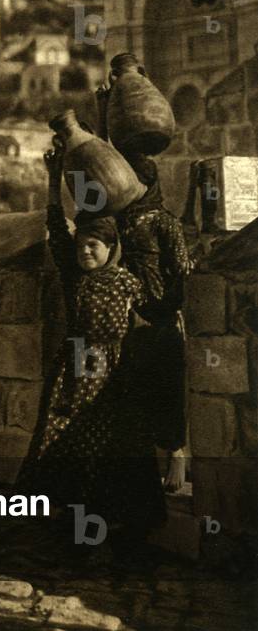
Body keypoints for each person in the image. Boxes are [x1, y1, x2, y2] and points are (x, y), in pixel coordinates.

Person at [18, 144, 166, 558]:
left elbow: (135, 212)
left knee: (111, 452)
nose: (85, 252)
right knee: (65, 445)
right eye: (82, 246)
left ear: (111, 249)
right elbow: (55, 225)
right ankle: (76, 527)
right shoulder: (73, 279)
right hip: (76, 373)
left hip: (115, 376)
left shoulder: (129, 280)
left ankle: (114, 530)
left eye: (94, 248)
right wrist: (52, 180)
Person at [116, 153, 193, 492]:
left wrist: (165, 311)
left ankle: (176, 452)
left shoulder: (164, 222)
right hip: (129, 318)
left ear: (145, 184)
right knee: (136, 392)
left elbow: (180, 270)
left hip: (161, 316)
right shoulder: (121, 220)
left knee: (168, 389)